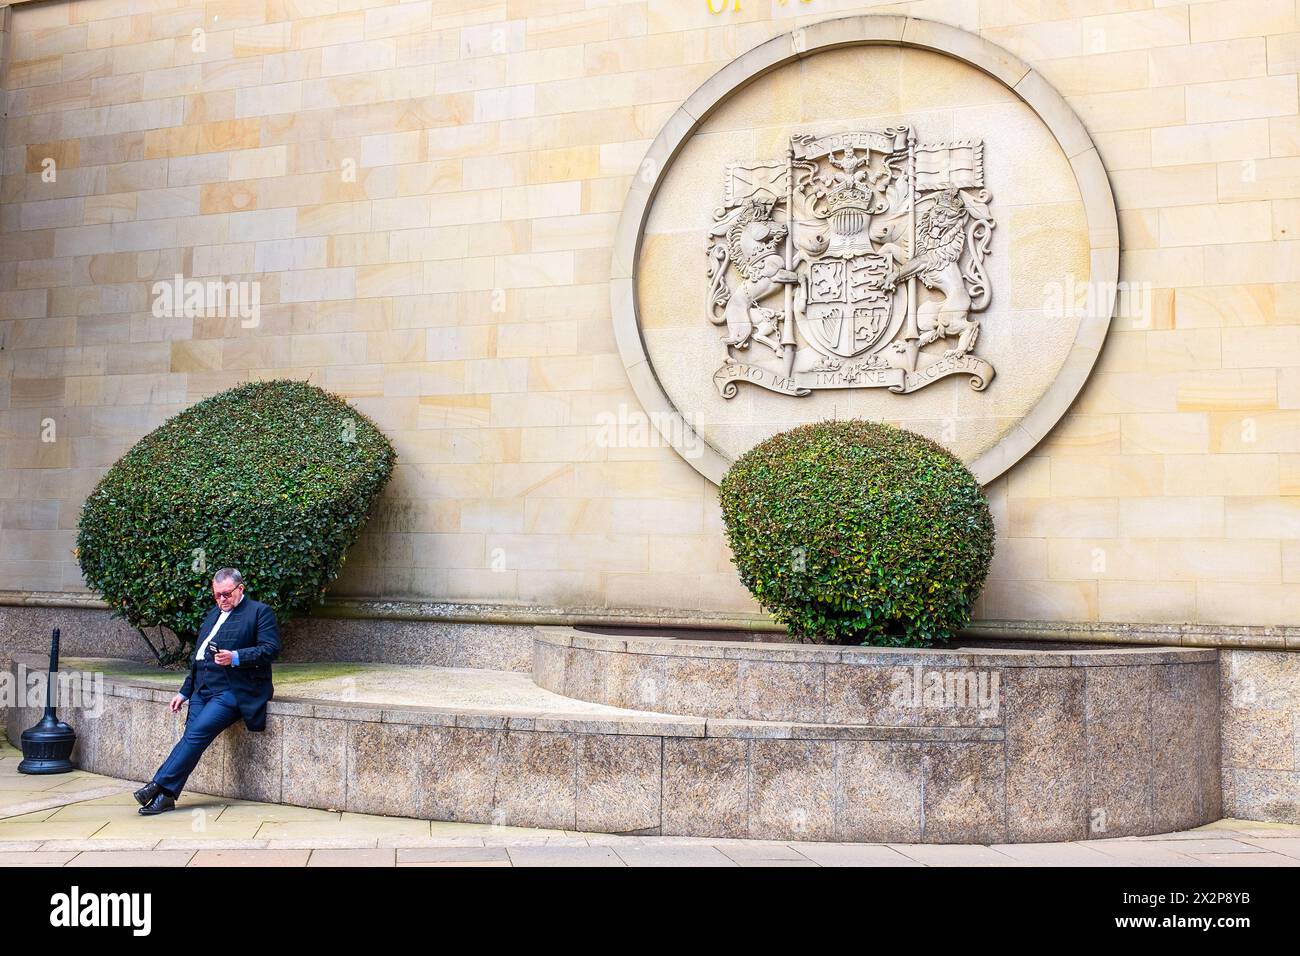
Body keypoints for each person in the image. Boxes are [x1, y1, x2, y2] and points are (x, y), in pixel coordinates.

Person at [134, 568, 280, 815]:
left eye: (226, 594)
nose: (221, 600)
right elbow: (199, 658)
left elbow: (270, 649)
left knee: (196, 734)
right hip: (203, 687)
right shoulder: (213, 614)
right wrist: (184, 692)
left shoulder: (259, 612)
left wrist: (236, 657)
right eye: (217, 595)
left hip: (234, 689)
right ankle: (167, 796)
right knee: (192, 738)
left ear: (240, 589)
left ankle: (157, 784)